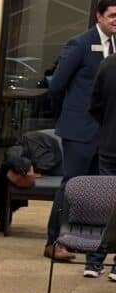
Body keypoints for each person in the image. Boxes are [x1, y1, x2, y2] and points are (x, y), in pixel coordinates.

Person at [46, 0, 116, 264]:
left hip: (105, 132)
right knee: (71, 185)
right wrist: (68, 116)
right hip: (79, 129)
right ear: (98, 16)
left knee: (102, 190)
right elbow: (57, 85)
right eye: (112, 15)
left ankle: (96, 245)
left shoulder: (114, 46)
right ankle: (53, 241)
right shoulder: (80, 43)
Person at [89, 49, 116, 280]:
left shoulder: (108, 65)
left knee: (105, 202)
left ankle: (94, 261)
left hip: (109, 143)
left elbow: (95, 106)